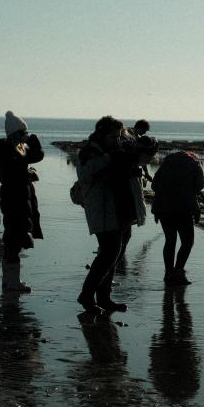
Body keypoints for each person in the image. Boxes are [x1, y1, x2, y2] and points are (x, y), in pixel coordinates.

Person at [75, 117, 148, 313]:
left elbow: (138, 166)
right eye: (112, 136)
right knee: (109, 252)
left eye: (118, 136)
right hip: (104, 208)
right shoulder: (89, 151)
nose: (116, 140)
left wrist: (138, 156)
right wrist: (110, 158)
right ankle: (87, 295)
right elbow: (85, 174)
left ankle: (104, 298)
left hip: (122, 208)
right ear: (101, 134)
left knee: (116, 253)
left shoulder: (120, 150)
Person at [0, 111, 44, 294]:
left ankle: (11, 282)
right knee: (14, 238)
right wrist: (26, 171)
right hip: (14, 198)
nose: (24, 137)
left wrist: (26, 169)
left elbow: (31, 158)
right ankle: (11, 283)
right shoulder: (7, 149)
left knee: (16, 239)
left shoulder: (16, 148)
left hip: (18, 196)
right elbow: (18, 168)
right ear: (15, 133)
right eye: (22, 133)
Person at [151, 151, 204, 285]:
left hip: (163, 207)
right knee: (187, 242)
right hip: (184, 208)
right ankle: (179, 271)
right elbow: (200, 185)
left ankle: (169, 273)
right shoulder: (195, 164)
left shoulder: (166, 163)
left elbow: (154, 185)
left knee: (170, 240)